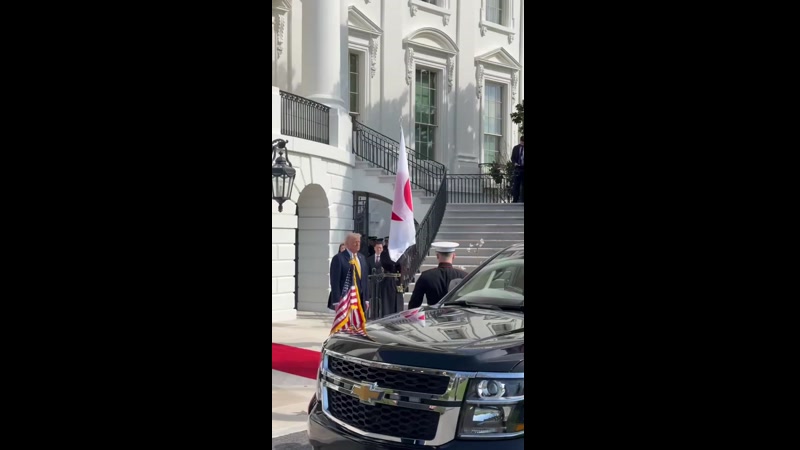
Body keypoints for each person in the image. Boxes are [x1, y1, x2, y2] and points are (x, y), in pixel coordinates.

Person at [407, 242, 468, 309]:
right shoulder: (464, 276)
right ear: (454, 256)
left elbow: (414, 303)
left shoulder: (426, 276)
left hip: (434, 315)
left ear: (437, 256)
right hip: (456, 315)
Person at [328, 233, 369, 312]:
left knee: (358, 323)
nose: (358, 244)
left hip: (360, 299)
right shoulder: (339, 258)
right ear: (347, 244)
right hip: (345, 299)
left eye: (359, 242)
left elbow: (365, 280)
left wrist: (366, 299)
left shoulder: (362, 258)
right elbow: (335, 281)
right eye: (355, 242)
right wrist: (336, 301)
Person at [510, 136, 525, 203]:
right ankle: (515, 200)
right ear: (520, 141)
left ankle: (522, 200)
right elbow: (512, 158)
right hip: (518, 168)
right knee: (516, 184)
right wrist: (515, 163)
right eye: (522, 142)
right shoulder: (516, 148)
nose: (523, 143)